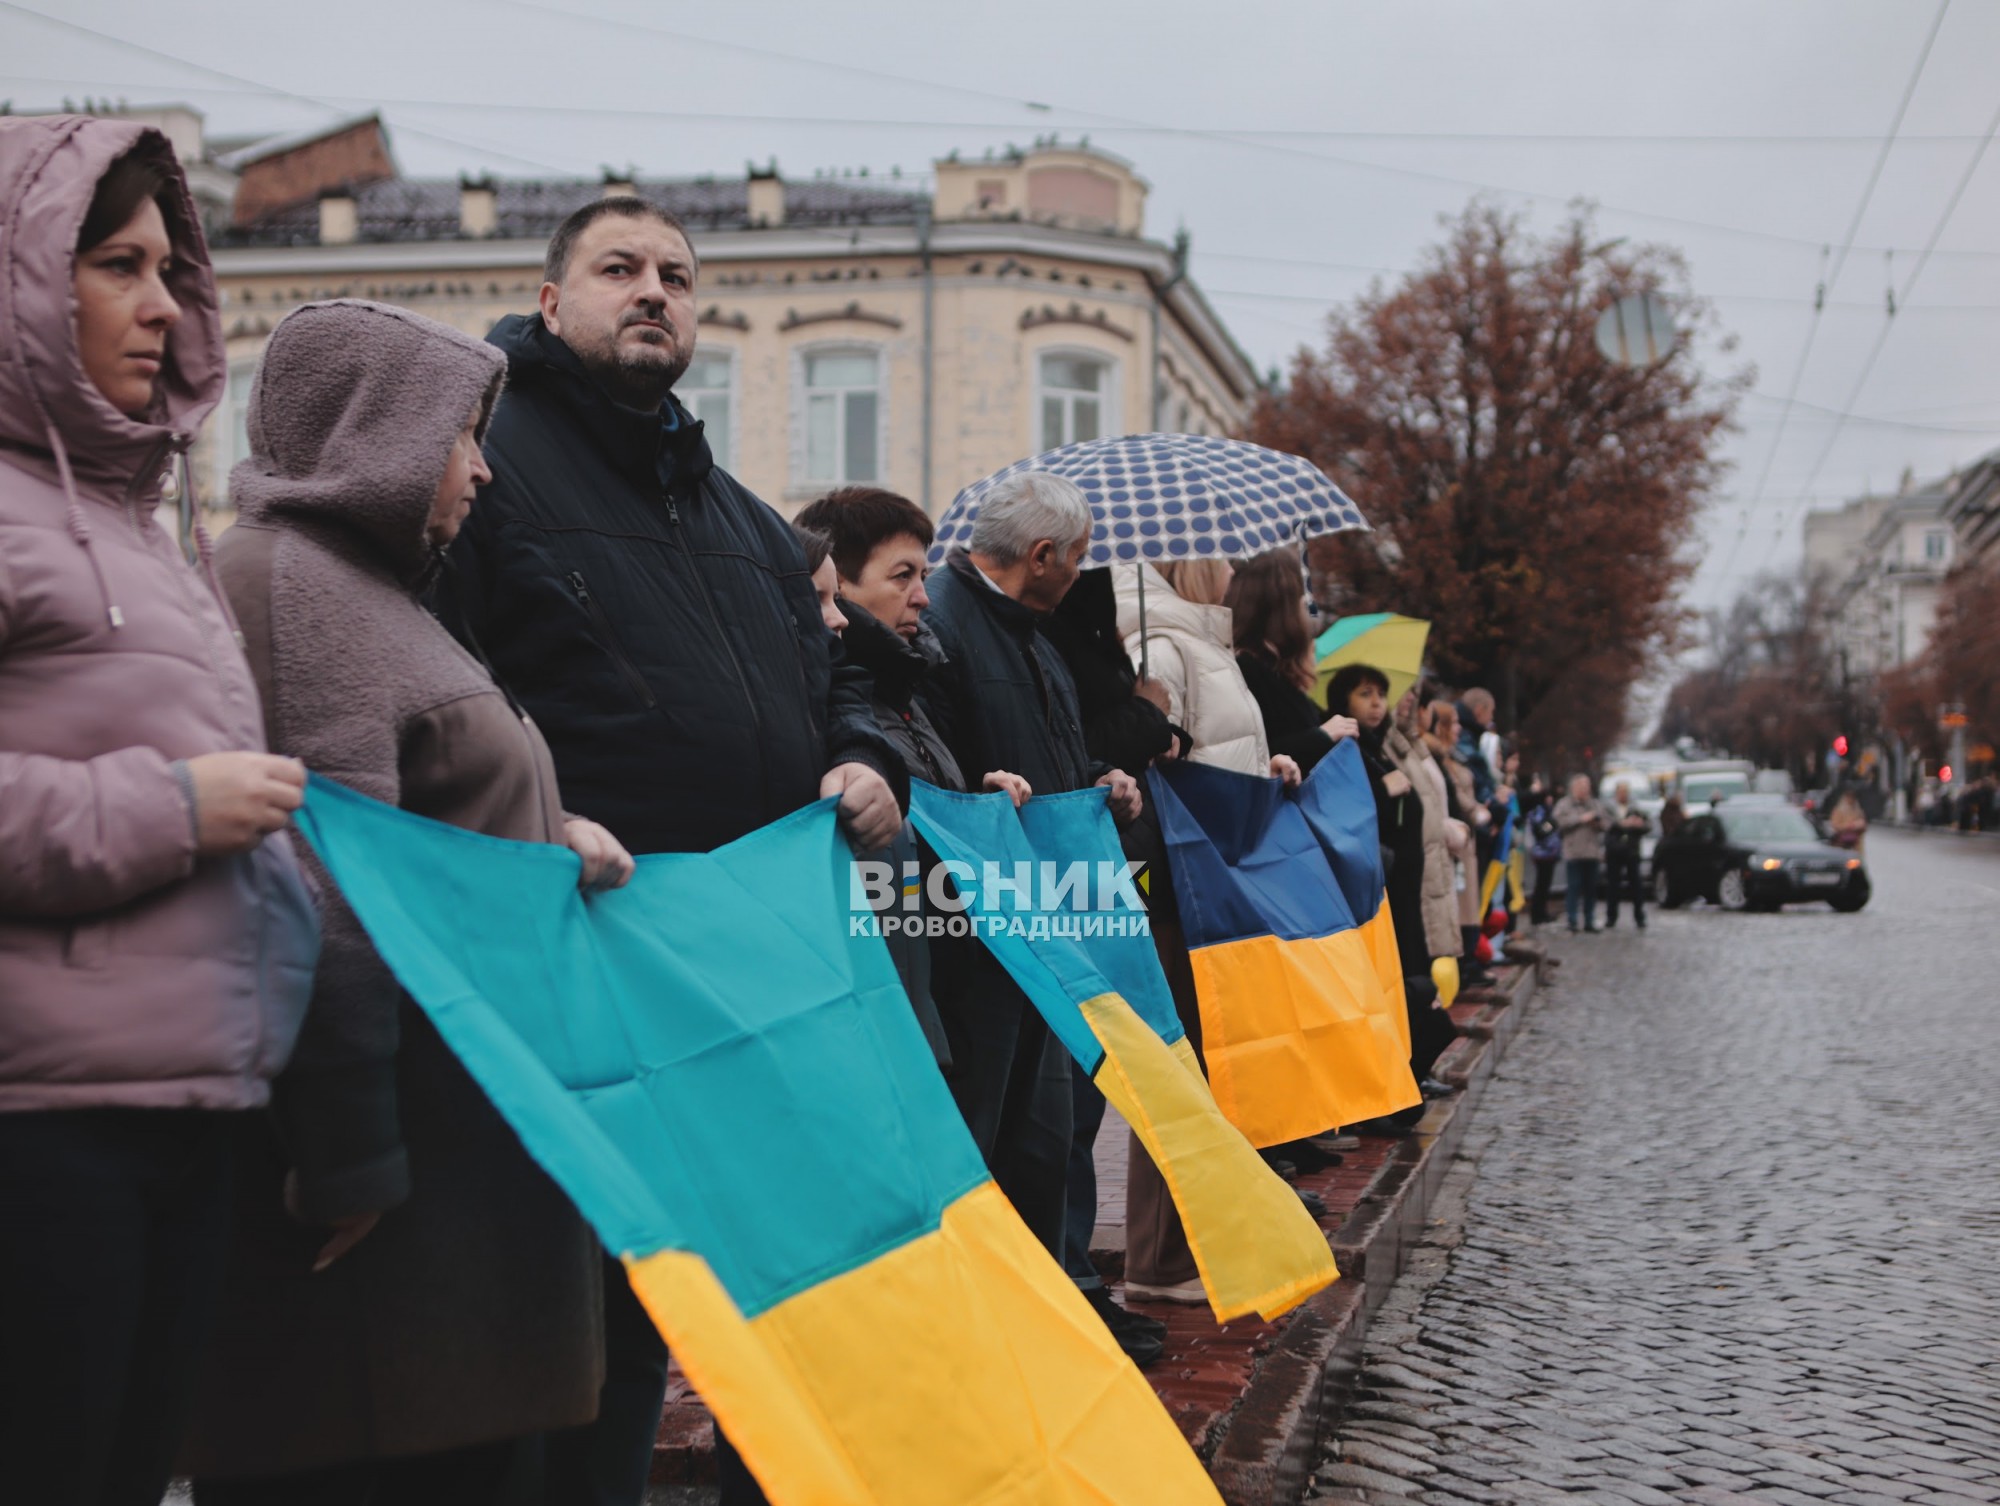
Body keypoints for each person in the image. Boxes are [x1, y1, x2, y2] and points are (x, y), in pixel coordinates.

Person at [444, 195, 904, 1506]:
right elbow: (433, 687)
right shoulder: (484, 466)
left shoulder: (741, 515)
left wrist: (876, 764)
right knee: (549, 1326)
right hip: (566, 970)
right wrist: (534, 825)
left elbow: (845, 684)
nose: (656, 291)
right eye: (620, 269)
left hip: (731, 976)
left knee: (668, 1298)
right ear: (549, 299)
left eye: (678, 276)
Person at [184, 300, 635, 1500]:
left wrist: (553, 841)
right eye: (459, 434)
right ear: (375, 432)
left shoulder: (375, 593)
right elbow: (320, 876)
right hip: (396, 1190)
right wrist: (349, 1157)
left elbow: (427, 819)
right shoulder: (285, 582)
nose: (483, 467)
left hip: (464, 1149)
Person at [0, 117, 321, 1506]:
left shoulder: (145, 526)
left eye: (168, 268)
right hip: (44, 1123)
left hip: (196, 1102)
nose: (164, 304)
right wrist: (169, 808)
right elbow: (184, 801)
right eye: (116, 264)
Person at [921, 473, 1147, 1357]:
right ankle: (986, 1330)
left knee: (1050, 1134)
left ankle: (1055, 1306)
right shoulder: (943, 621)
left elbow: (1053, 749)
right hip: (979, 930)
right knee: (993, 1129)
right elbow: (937, 765)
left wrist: (1098, 784)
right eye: (1080, 556)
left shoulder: (1034, 635)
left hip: (1045, 918)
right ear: (1043, 556)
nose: (1085, 573)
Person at [1328, 666, 1460, 1088]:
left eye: (1380, 695)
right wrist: (1387, 790)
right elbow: (1355, 806)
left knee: (1413, 970)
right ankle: (1397, 1074)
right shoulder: (1347, 746)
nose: (1377, 703)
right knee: (1396, 976)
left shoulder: (1376, 746)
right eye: (1365, 694)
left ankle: (1409, 1070)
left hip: (1406, 882)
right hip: (1381, 883)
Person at [1113, 559, 1301, 787]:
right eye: (1222, 560)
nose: (1231, 570)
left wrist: (1260, 773)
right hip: (1203, 822)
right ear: (1197, 569)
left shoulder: (1201, 642)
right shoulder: (1162, 650)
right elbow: (1154, 776)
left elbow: (1211, 750)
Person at [1229, 547, 1358, 772]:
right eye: (1301, 595)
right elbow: (1256, 752)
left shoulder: (1270, 665)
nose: (1306, 605)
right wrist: (1322, 736)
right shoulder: (1249, 669)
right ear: (1283, 605)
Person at [1553, 774, 1609, 933]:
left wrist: (1597, 822)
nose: (1585, 790)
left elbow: (1606, 823)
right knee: (1574, 887)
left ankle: (1589, 920)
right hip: (1573, 852)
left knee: (1591, 889)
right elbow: (1559, 822)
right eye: (1582, 787)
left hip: (1592, 852)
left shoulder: (1595, 804)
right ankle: (1572, 920)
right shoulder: (1565, 804)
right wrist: (1581, 818)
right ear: (1574, 788)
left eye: (1587, 786)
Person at [1602, 779, 1651, 931]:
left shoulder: (1635, 808)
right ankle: (1611, 917)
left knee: (1636, 885)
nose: (1623, 795)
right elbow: (1606, 825)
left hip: (1631, 851)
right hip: (1614, 851)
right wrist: (1622, 823)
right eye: (1621, 792)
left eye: (1625, 792)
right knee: (1613, 886)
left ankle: (1639, 916)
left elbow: (1648, 825)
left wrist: (1638, 824)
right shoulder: (1609, 808)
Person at [1526, 781, 1563, 927]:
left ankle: (1542, 912)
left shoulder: (1549, 810)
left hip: (1552, 852)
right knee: (1541, 885)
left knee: (1546, 885)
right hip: (1542, 853)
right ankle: (1537, 913)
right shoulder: (1538, 811)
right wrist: (1551, 824)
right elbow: (1540, 830)